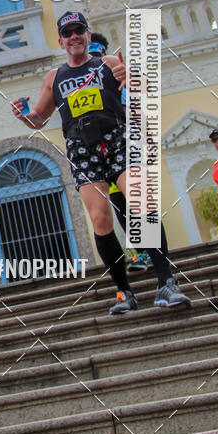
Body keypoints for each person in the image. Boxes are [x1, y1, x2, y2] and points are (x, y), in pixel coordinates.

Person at [11, 11, 191, 315]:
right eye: (67, 33)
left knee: (140, 199)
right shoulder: (54, 78)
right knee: (100, 219)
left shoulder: (106, 63)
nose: (74, 37)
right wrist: (23, 115)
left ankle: (167, 282)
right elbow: (39, 118)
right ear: (61, 41)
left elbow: (140, 90)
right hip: (82, 147)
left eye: (79, 30)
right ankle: (124, 292)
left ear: (88, 35)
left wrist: (132, 79)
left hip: (117, 136)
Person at [90, 32, 152, 273]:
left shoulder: (119, 74)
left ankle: (151, 252)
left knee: (139, 202)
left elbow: (136, 105)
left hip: (128, 146)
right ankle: (140, 252)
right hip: (102, 155)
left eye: (99, 55)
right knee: (120, 205)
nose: (96, 61)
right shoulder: (83, 80)